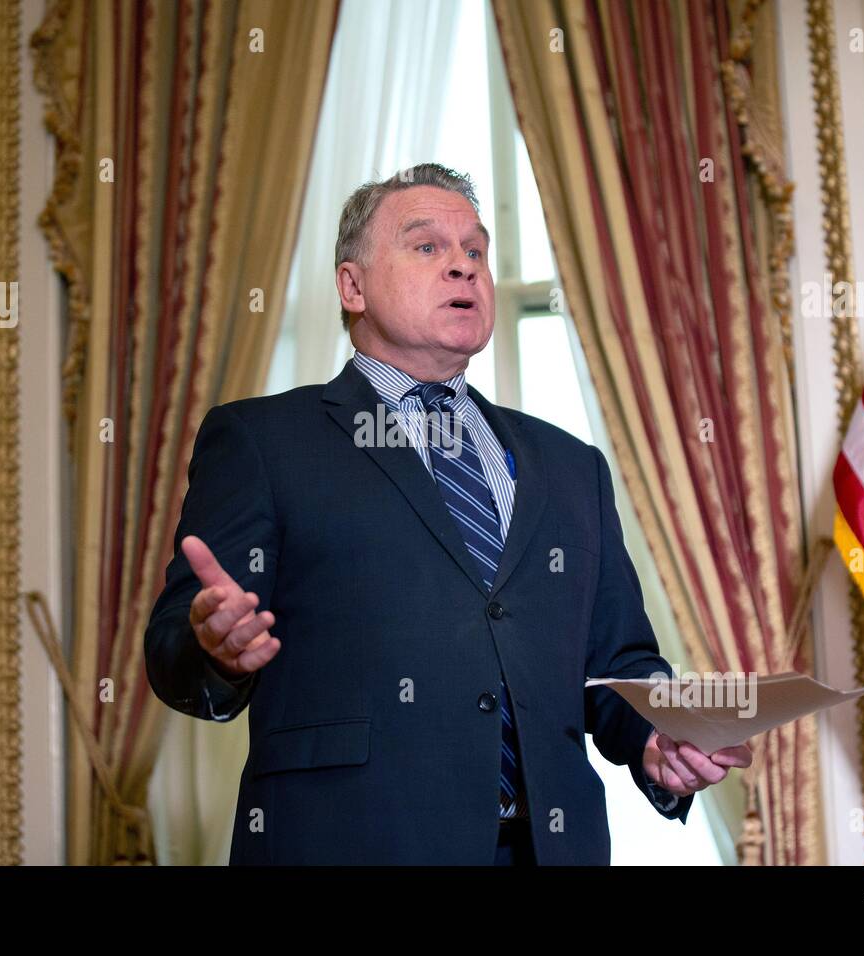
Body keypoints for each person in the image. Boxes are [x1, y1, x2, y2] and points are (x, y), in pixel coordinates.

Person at [144, 163, 751, 865]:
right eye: (428, 247)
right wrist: (214, 652)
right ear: (353, 286)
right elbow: (175, 647)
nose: (463, 268)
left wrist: (657, 735)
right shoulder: (264, 442)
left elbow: (615, 663)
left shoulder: (568, 465)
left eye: (476, 252)